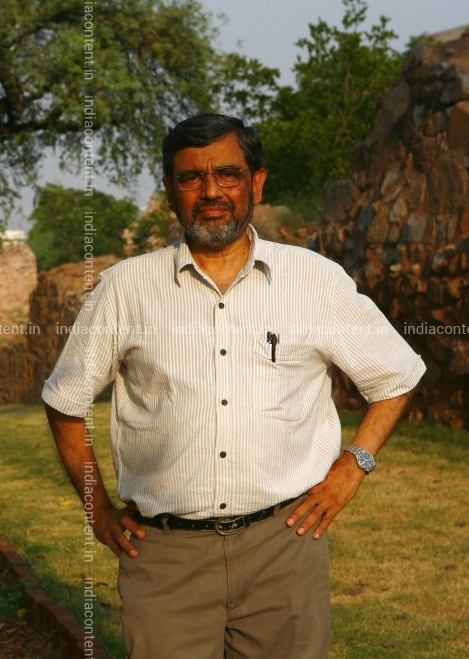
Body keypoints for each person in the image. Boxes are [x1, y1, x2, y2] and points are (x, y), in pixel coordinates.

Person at [42, 114, 425, 658]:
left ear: (256, 183)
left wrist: (353, 465)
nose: (211, 192)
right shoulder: (126, 289)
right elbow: (65, 402)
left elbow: (397, 375)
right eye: (191, 178)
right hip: (166, 558)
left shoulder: (313, 280)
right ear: (170, 191)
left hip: (285, 548)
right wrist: (98, 511)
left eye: (227, 174)